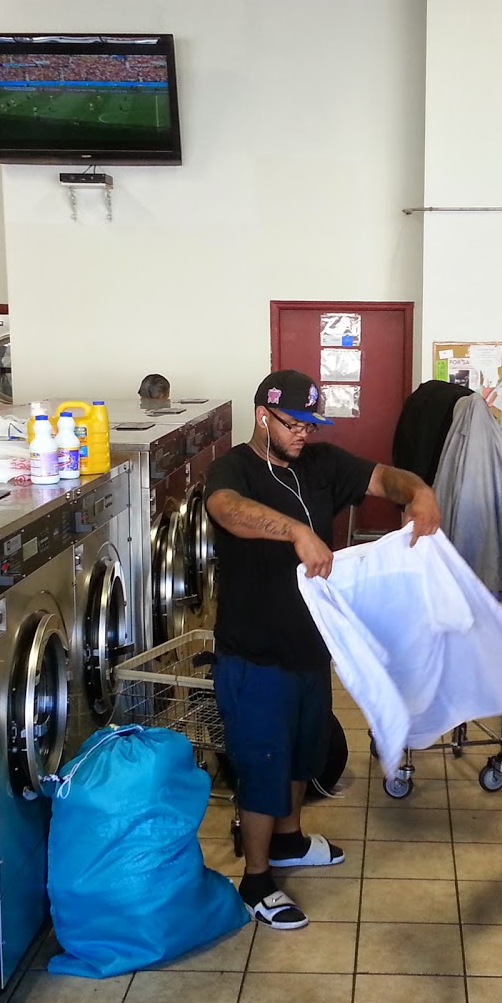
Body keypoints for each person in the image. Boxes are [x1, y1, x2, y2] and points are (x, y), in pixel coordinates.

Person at [205, 368, 440, 929]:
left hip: (311, 646)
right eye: (293, 425)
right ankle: (257, 880)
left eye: (311, 424)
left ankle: (288, 842)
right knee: (263, 765)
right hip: (253, 653)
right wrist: (295, 531)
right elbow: (227, 509)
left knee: (300, 753)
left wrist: (422, 494)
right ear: (263, 414)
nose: (303, 435)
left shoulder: (323, 464)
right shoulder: (233, 466)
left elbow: (389, 479)